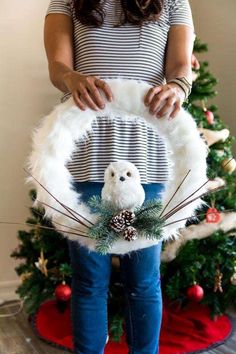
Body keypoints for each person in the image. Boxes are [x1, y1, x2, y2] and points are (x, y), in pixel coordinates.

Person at [44, 1, 195, 353]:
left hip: (149, 162)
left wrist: (177, 88)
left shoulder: (173, 1)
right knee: (89, 280)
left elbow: (181, 68)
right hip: (87, 158)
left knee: (143, 282)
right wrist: (70, 77)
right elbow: (57, 64)